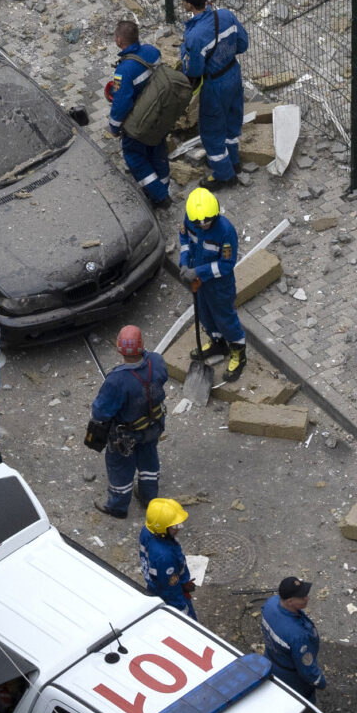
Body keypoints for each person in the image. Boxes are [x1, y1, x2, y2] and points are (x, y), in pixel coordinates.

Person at [86, 323, 169, 517]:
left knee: (120, 466)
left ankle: (118, 506)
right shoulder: (156, 362)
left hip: (126, 435)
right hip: (154, 426)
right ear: (142, 344)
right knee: (149, 457)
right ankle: (149, 496)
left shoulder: (116, 380)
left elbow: (101, 413)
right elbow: (161, 379)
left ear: (119, 348)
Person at [176, 0, 248, 186]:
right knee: (232, 122)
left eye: (183, 0)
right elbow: (243, 43)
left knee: (212, 131)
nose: (182, 3)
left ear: (189, 5)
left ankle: (224, 175)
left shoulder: (195, 36)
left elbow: (194, 70)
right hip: (233, 73)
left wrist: (184, 53)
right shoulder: (226, 16)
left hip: (215, 85)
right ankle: (234, 162)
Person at [178, 188, 247, 380]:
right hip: (199, 284)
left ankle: (238, 354)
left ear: (215, 213)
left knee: (225, 319)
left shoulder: (225, 232)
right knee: (205, 316)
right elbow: (184, 240)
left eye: (207, 221)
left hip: (219, 286)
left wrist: (198, 271)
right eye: (198, 222)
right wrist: (184, 261)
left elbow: (226, 264)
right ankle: (217, 343)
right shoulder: (191, 219)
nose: (202, 225)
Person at [105, 19, 170, 206]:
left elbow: (121, 104)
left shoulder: (124, 70)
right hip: (160, 115)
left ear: (119, 41)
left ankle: (159, 196)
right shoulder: (152, 52)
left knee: (135, 157)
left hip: (140, 123)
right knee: (157, 152)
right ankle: (164, 186)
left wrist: (114, 127)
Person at [259, 577, 323, 700]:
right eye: (302, 597)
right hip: (291, 676)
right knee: (302, 701)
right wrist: (320, 682)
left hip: (271, 659)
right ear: (289, 601)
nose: (307, 598)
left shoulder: (271, 603)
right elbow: (306, 669)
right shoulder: (298, 635)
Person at [137, 497, 196, 614]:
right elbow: (171, 590)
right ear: (162, 528)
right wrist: (182, 611)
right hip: (168, 593)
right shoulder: (165, 557)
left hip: (156, 586)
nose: (179, 528)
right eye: (174, 526)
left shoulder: (148, 530)